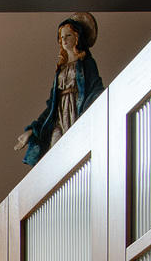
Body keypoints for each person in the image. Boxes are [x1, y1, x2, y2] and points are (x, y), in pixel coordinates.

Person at [15, 13, 104, 166]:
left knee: (76, 154)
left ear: (77, 37)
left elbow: (95, 89)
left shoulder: (86, 64)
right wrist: (32, 130)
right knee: (55, 155)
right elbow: (52, 106)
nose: (64, 40)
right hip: (59, 118)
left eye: (68, 35)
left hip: (76, 112)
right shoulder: (60, 70)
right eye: (61, 37)